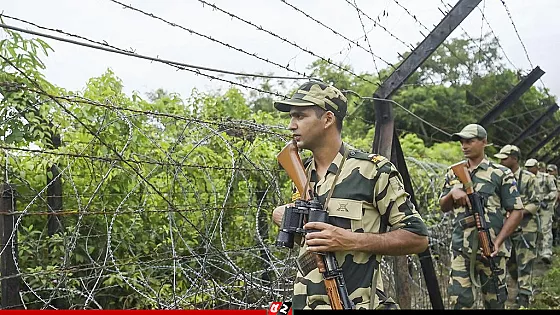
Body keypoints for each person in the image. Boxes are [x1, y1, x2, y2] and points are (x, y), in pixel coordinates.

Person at [271, 80, 429, 310]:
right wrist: (285, 216)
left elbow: (418, 238)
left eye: (300, 116)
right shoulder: (302, 172)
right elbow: (305, 241)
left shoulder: (372, 171)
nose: (291, 125)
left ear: (327, 119)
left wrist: (349, 240)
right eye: (291, 117)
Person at [439, 124, 524, 310]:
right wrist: (453, 191)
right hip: (461, 248)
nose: (464, 146)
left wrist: (498, 242)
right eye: (462, 142)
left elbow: (517, 211)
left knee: (495, 303)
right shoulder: (454, 172)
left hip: (491, 251)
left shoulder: (500, 173)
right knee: (460, 302)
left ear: (484, 142)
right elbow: (443, 206)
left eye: (470, 141)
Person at [494, 146, 539, 308]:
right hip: (506, 227)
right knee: (511, 261)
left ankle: (525, 294)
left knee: (525, 260)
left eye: (505, 158)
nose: (501, 161)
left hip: (526, 226)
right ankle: (516, 286)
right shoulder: (499, 177)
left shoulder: (528, 179)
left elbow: (536, 202)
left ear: (514, 158)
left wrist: (518, 213)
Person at [525, 159, 557, 264]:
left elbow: (554, 191)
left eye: (531, 167)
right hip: (531, 207)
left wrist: (546, 198)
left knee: (545, 228)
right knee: (532, 229)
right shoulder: (525, 178)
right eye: (527, 167)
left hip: (545, 207)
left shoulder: (546, 177)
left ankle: (546, 252)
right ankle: (534, 252)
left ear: (536, 167)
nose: (529, 169)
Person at [547, 164, 560, 246]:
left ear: (555, 171)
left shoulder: (558, 181)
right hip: (550, 205)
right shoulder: (546, 180)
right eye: (548, 171)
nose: (549, 173)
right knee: (552, 224)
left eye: (551, 171)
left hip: (557, 205)